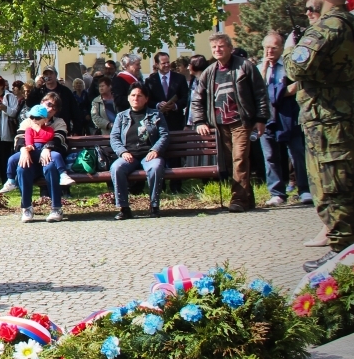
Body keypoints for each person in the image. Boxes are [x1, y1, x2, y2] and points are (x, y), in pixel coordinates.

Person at [284, 0, 354, 271]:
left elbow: (297, 69)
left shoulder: (326, 27)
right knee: (350, 181)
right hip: (350, 112)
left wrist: (289, 50)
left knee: (332, 184)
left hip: (326, 121)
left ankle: (342, 252)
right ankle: (353, 247)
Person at [191, 33, 270, 213]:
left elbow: (260, 93)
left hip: (241, 121)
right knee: (231, 162)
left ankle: (237, 200)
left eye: (221, 46)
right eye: (214, 48)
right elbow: (197, 99)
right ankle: (247, 199)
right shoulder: (209, 72)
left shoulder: (245, 67)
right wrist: (200, 121)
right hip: (219, 124)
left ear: (229, 48)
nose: (217, 50)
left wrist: (261, 119)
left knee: (240, 159)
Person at [257, 32, 310, 207]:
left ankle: (305, 190)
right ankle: (277, 193)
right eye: (267, 48)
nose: (270, 51)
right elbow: (258, 90)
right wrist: (264, 69)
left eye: (274, 47)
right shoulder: (258, 68)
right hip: (267, 117)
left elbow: (296, 85)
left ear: (282, 49)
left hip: (289, 116)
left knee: (297, 153)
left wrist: (277, 93)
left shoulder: (289, 66)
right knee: (270, 155)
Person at [110, 83, 169, 220]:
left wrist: (156, 149)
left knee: (155, 167)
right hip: (128, 155)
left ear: (146, 99)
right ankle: (124, 208)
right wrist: (123, 152)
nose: (136, 98)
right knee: (116, 167)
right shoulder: (121, 117)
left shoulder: (155, 115)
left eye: (140, 95)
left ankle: (154, 206)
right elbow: (114, 138)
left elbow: (164, 135)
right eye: (133, 95)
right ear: (128, 98)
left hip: (149, 155)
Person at [15, 95, 69, 222]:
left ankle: (56, 208)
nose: (49, 108)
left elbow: (59, 139)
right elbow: (19, 139)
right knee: (22, 168)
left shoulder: (58, 122)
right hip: (31, 159)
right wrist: (23, 149)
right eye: (46, 103)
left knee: (51, 167)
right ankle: (26, 208)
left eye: (52, 106)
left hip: (48, 159)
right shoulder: (28, 121)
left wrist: (47, 148)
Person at [146, 51, 189, 192]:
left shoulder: (179, 78)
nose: (166, 65)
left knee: (176, 153)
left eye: (168, 62)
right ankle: (160, 185)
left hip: (175, 120)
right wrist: (158, 105)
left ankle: (176, 186)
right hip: (158, 122)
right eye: (163, 63)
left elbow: (185, 97)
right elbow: (148, 100)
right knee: (159, 152)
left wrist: (175, 105)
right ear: (157, 64)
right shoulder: (150, 80)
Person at [26, 66, 78, 133]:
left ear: (56, 75)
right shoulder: (40, 91)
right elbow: (29, 104)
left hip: (61, 127)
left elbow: (75, 111)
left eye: (51, 74)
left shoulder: (65, 91)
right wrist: (36, 88)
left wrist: (76, 130)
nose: (49, 76)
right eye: (46, 74)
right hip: (42, 129)